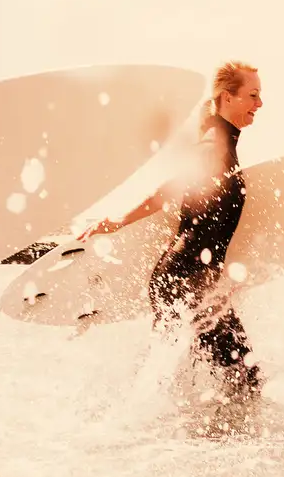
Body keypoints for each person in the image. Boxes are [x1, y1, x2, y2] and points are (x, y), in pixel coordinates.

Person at [81, 61, 263, 407]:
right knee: (244, 380)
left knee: (208, 380)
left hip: (188, 280)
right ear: (228, 97)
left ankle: (148, 431)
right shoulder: (214, 144)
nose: (260, 104)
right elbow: (172, 187)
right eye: (252, 95)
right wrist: (117, 220)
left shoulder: (221, 141)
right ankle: (141, 431)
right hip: (183, 280)